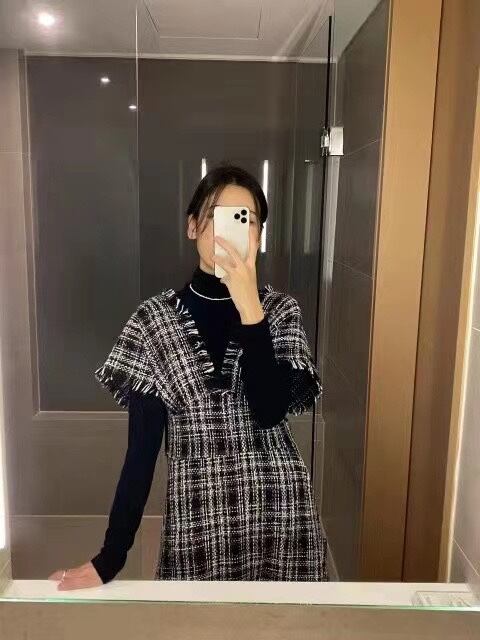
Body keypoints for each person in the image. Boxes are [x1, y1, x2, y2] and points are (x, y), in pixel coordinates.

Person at [49, 164, 328, 590]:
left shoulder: (280, 312)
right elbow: (141, 453)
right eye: (217, 216)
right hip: (198, 524)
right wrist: (110, 558)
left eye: (247, 220)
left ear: (258, 236)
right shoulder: (152, 323)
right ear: (193, 226)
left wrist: (250, 307)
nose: (232, 230)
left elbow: (270, 411)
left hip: (282, 517)